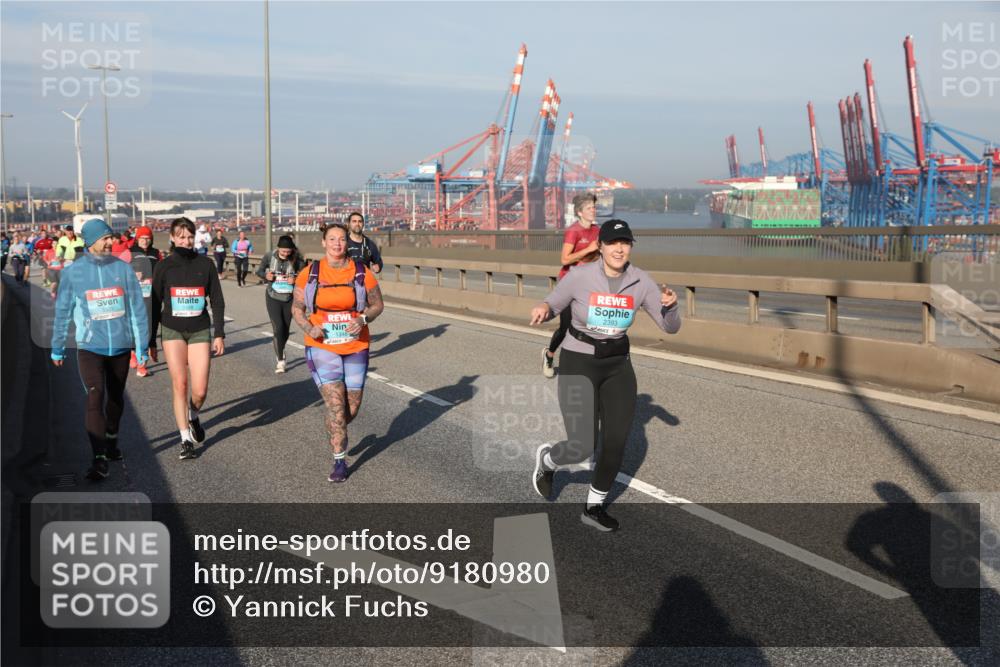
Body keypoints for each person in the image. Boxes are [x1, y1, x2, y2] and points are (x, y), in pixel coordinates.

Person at [529, 219, 681, 532]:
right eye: (613, 242)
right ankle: (548, 461)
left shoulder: (641, 281)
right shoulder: (581, 276)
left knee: (615, 442)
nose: (619, 248)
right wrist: (543, 308)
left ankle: (593, 507)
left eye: (625, 242)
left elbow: (670, 327)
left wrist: (671, 307)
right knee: (583, 445)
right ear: (600, 246)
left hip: (617, 365)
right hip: (578, 362)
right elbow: (554, 302)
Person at [50, 218, 150, 481]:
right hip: (89, 347)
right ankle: (99, 458)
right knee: (96, 395)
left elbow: (138, 311)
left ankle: (112, 440)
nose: (110, 242)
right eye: (105, 238)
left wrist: (141, 347)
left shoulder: (123, 269)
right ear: (91, 242)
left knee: (116, 399)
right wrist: (57, 347)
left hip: (119, 346)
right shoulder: (73, 273)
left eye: (111, 237)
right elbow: (62, 312)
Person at [291, 223, 384, 483]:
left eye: (342, 239)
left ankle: (336, 424)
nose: (337, 243)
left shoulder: (361, 272)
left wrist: (363, 319)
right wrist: (310, 327)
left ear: (347, 243)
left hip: (356, 346)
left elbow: (378, 304)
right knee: (335, 405)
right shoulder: (310, 273)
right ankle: (339, 461)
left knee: (350, 408)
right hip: (322, 346)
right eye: (332, 239)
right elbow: (297, 308)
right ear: (324, 243)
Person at [151, 217, 226, 460]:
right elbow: (154, 304)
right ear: (172, 238)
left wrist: (220, 334)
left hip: (199, 330)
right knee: (180, 384)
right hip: (172, 330)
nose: (186, 240)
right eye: (181, 236)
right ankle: (185, 439)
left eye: (190, 236)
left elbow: (217, 300)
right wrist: (150, 339)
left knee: (200, 390)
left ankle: (193, 414)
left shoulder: (205, 264)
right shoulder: (163, 267)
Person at [543, 192, 600, 379]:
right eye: (590, 208)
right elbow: (564, 258)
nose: (594, 210)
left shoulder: (597, 230)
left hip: (589, 283)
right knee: (566, 326)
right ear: (580, 212)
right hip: (569, 282)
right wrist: (588, 250)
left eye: (594, 207)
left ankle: (586, 364)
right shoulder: (573, 231)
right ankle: (549, 354)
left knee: (590, 324)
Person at [256, 234, 307, 373]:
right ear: (278, 248)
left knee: (285, 329)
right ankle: (280, 360)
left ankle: (280, 347)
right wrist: (265, 276)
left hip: (289, 299)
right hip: (273, 296)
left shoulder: (297, 259)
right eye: (283, 251)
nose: (285, 254)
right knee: (278, 328)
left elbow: (305, 276)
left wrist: (295, 279)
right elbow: (259, 270)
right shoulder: (269, 256)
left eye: (288, 251)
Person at [130, 226, 163, 377]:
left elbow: (163, 271)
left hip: (153, 297)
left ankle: (142, 357)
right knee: (136, 328)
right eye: (142, 238)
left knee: (150, 328)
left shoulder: (156, 254)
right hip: (135, 297)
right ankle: (137, 359)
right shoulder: (129, 252)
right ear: (137, 238)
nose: (145, 241)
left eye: (148, 238)